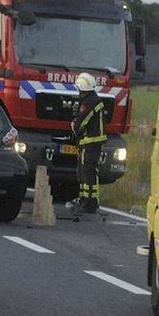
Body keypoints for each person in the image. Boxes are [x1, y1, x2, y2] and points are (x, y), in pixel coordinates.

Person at [70, 72, 106, 214]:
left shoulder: (89, 103)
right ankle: (85, 199)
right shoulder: (93, 99)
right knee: (84, 170)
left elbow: (80, 124)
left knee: (88, 171)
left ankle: (90, 203)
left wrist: (73, 125)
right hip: (91, 141)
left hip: (91, 142)